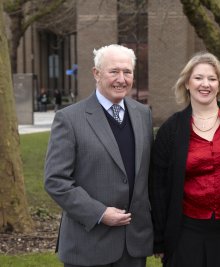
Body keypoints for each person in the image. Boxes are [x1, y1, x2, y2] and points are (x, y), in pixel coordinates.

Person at [44, 44, 153, 267]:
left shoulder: (143, 114)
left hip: (133, 247)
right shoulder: (70, 119)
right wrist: (99, 213)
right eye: (114, 71)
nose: (121, 79)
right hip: (88, 244)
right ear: (96, 73)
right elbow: (56, 181)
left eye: (127, 72)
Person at [150, 52, 220, 267]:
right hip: (188, 234)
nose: (205, 84)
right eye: (198, 78)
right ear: (187, 83)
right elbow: (158, 188)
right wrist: (160, 240)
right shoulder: (170, 130)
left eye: (212, 78)